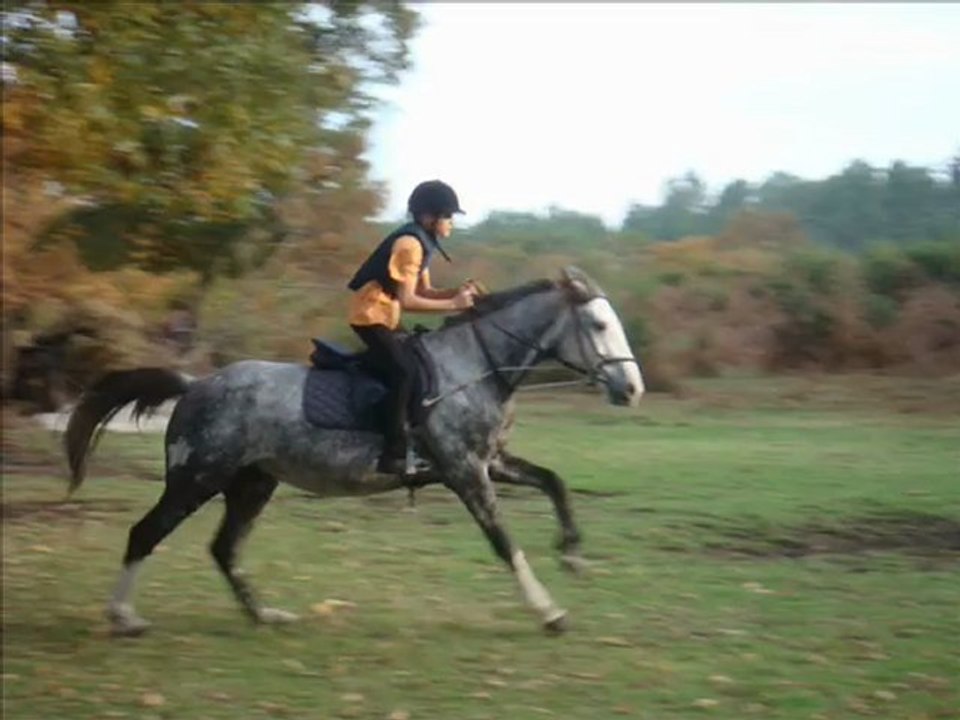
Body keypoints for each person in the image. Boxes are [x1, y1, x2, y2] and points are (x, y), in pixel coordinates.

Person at [347, 180, 478, 474]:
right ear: (429, 217)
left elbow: (426, 292)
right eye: (448, 216)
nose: (452, 223)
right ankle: (392, 453)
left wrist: (457, 293)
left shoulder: (423, 243)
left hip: (386, 314)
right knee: (404, 371)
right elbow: (408, 300)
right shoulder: (409, 245)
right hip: (370, 315)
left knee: (419, 364)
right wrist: (455, 305)